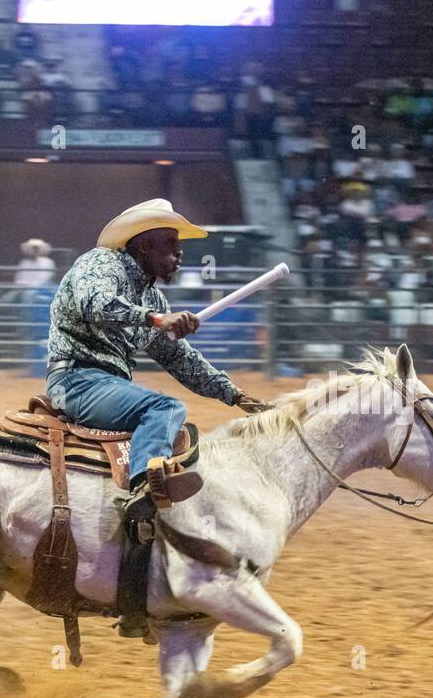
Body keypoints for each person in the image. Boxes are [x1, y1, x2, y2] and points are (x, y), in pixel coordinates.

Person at [45, 197, 270, 521]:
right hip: (76, 380)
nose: (179, 253)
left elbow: (177, 357)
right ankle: (144, 488)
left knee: (164, 409)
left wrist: (235, 395)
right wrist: (155, 319)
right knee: (164, 408)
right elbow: (95, 303)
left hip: (100, 384)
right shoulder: (101, 263)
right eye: (170, 244)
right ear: (145, 246)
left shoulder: (152, 297)